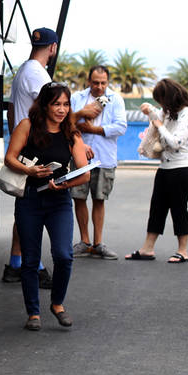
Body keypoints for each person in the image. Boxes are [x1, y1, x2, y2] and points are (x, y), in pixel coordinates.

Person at [5, 81, 91, 330]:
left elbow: (84, 174)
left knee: (64, 255)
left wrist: (63, 186)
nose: (62, 110)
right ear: (45, 104)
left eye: (65, 104)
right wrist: (28, 170)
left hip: (59, 202)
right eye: (56, 104)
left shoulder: (72, 134)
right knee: (30, 260)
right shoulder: (28, 126)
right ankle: (33, 313)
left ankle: (57, 304)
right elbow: (10, 158)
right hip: (29, 199)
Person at [3, 27, 60, 288]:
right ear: (53, 48)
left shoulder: (22, 72)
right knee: (35, 209)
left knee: (25, 206)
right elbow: (52, 109)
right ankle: (33, 265)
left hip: (23, 141)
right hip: (35, 145)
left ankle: (16, 263)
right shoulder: (37, 73)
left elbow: (12, 111)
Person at [124, 78, 188, 263]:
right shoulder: (167, 112)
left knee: (179, 207)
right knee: (157, 206)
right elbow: (156, 117)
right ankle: (147, 248)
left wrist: (158, 124)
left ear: (170, 98)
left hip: (183, 166)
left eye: (161, 100)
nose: (160, 104)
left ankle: (183, 250)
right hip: (165, 166)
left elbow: (175, 142)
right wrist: (150, 111)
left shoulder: (187, 114)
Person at [70, 65, 127, 259]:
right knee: (78, 197)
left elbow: (121, 127)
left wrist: (94, 129)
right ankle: (84, 241)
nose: (99, 87)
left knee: (99, 199)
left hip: (104, 158)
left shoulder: (115, 99)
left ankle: (98, 243)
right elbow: (66, 122)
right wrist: (81, 120)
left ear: (108, 82)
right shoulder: (77, 98)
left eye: (103, 83)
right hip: (79, 157)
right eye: (96, 83)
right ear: (89, 82)